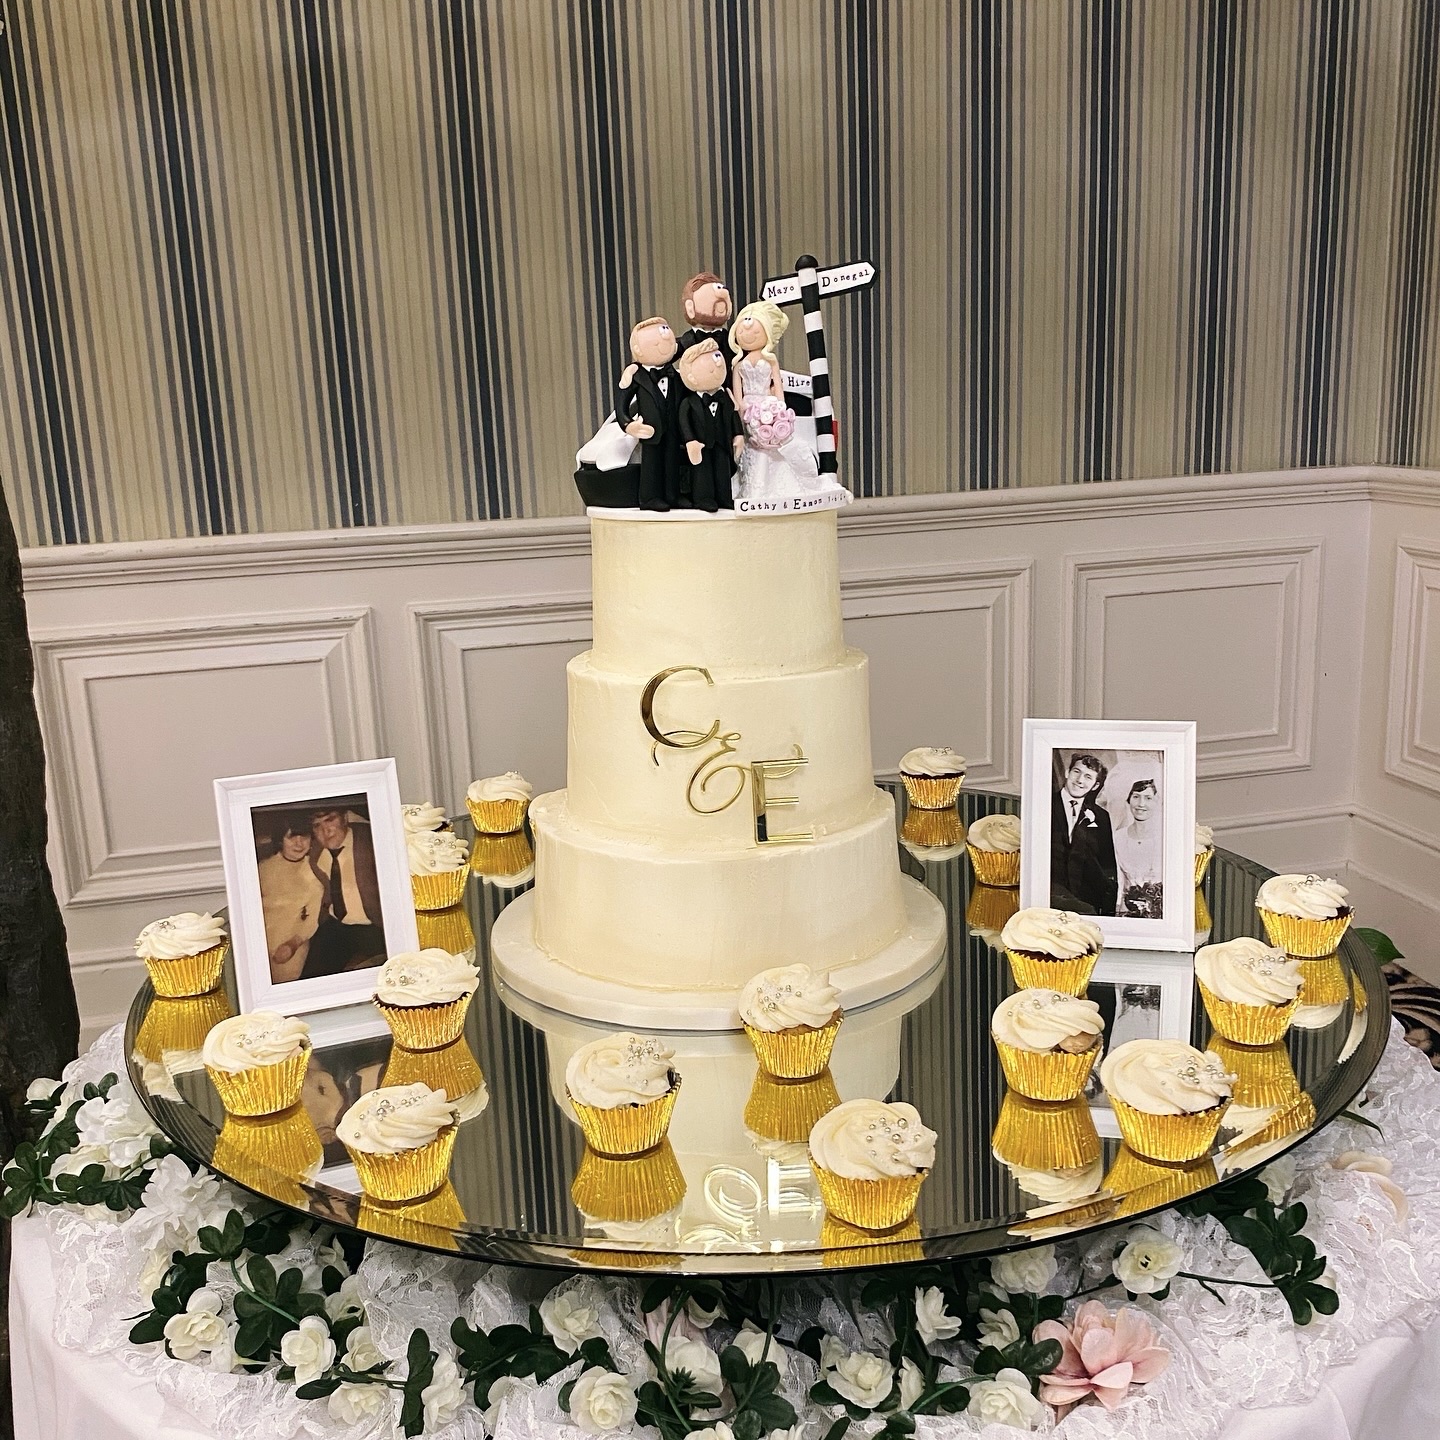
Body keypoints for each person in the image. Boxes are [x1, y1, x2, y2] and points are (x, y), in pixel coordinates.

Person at [727, 300, 825, 502]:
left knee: (770, 448)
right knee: (751, 444)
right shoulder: (738, 363)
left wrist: (779, 407)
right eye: (742, 332)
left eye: (755, 332)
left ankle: (769, 481)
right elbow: (738, 389)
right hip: (748, 406)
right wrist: (740, 405)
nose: (747, 335)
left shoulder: (770, 360)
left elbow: (777, 384)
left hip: (767, 403)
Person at [303, 805, 386, 977]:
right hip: (336, 924)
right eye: (317, 825)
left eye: (330, 820)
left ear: (345, 818)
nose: (325, 830)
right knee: (311, 977)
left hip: (374, 924)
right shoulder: (316, 853)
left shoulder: (372, 840)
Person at [613, 316, 684, 510]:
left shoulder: (675, 375)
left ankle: (672, 496)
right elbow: (622, 403)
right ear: (638, 350)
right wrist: (628, 424)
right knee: (651, 465)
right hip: (650, 430)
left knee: (672, 463)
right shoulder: (636, 376)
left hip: (673, 430)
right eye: (657, 343)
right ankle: (649, 498)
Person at [676, 339, 745, 511]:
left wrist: (738, 435)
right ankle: (703, 499)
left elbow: (733, 415)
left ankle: (724, 497)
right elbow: (684, 423)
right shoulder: (689, 402)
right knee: (702, 473)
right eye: (711, 369)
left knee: (723, 471)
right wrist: (690, 441)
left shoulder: (725, 397)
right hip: (701, 445)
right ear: (691, 377)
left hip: (722, 443)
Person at [258, 814, 326, 984]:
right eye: (292, 837)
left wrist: (292, 945)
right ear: (280, 840)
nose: (299, 843)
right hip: (260, 946)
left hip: (292, 949)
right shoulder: (262, 869)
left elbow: (312, 919)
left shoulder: (315, 871)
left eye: (304, 837)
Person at [1050, 752, 1118, 916]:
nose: (1080, 780)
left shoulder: (1101, 817)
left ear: (1095, 785)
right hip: (1049, 895)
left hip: (1086, 903)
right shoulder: (1045, 803)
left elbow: (1106, 864)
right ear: (1067, 772)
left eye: (1088, 777)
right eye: (1077, 772)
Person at [1113, 778, 1164, 918]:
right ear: (1129, 800)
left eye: (1148, 798)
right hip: (1128, 910)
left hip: (1162, 911)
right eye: (1136, 797)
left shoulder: (1165, 837)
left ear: (1157, 802)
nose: (1141, 804)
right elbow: (1119, 879)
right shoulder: (1118, 837)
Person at [676, 272, 734, 387]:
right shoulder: (688, 339)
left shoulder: (730, 338)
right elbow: (669, 354)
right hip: (696, 391)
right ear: (690, 307)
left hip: (726, 390)